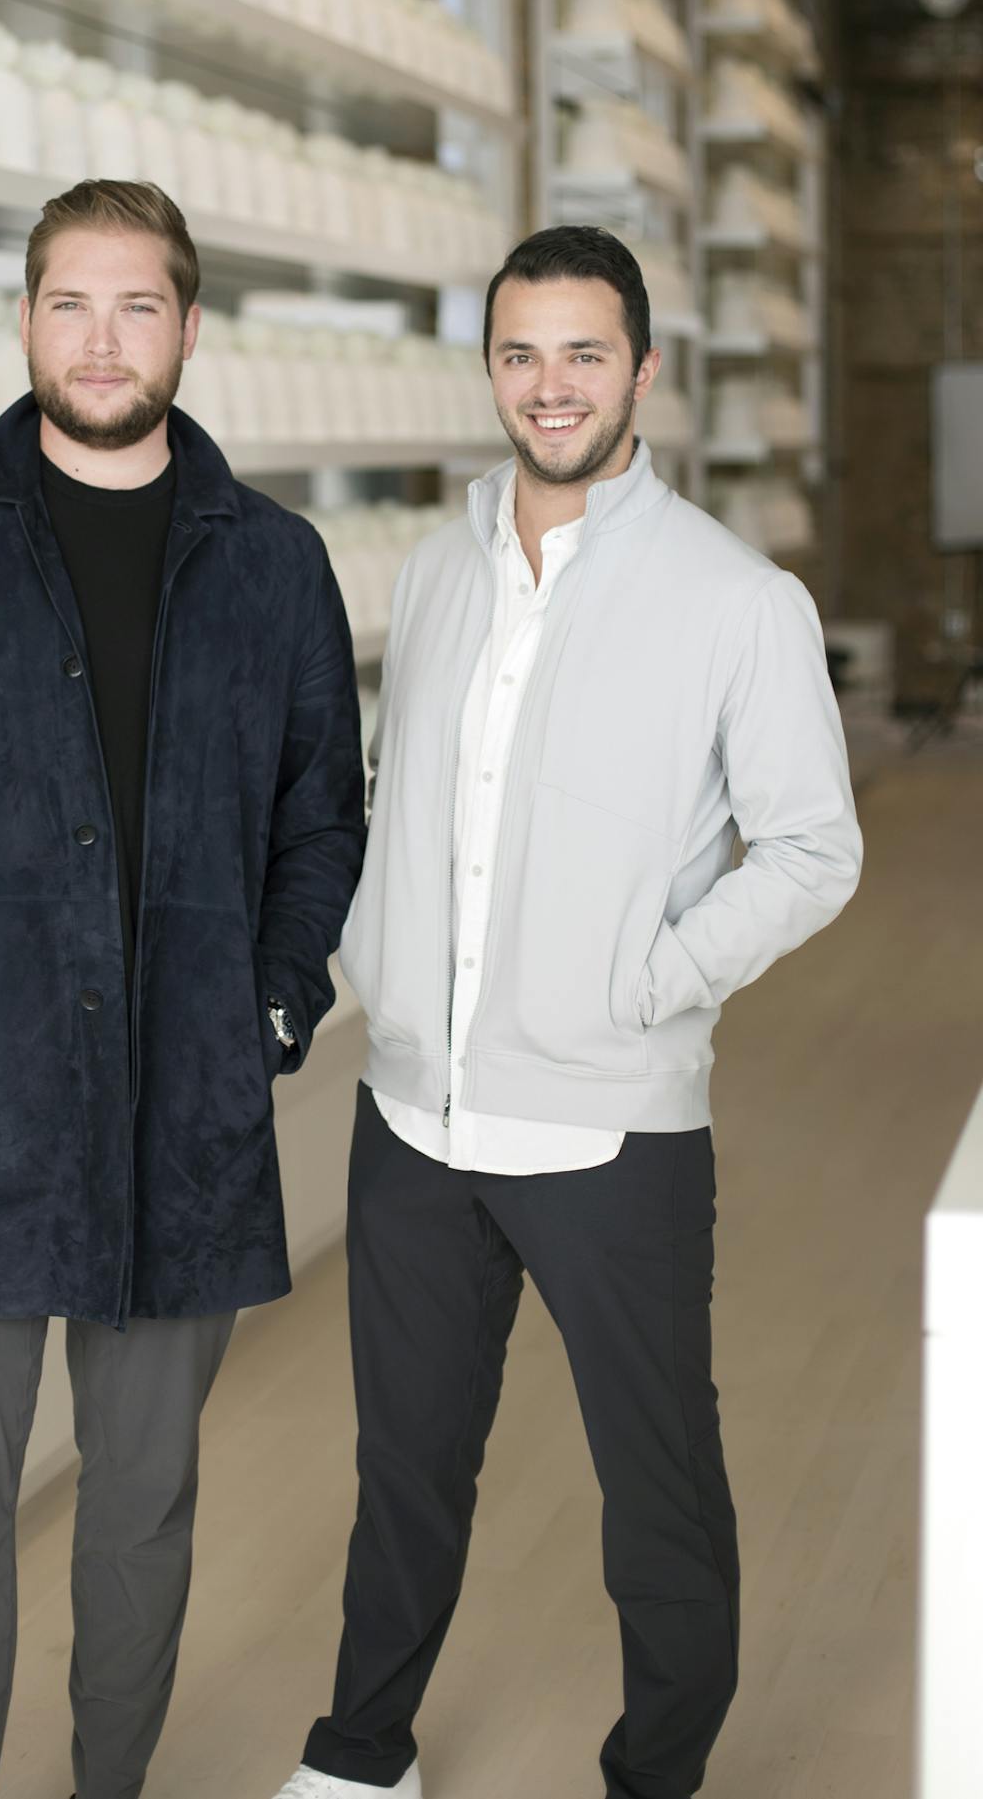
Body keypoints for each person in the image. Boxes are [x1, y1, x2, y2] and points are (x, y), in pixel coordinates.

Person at [0, 178, 366, 1799]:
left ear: (187, 326)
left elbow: (324, 815)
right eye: (68, 303)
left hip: (185, 1105)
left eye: (135, 306)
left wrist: (266, 1007)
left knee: (144, 1504)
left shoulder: (277, 565)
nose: (100, 339)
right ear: (27, 319)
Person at [272, 225, 863, 1799]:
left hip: (609, 1124)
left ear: (643, 369)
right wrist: (377, 977)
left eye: (585, 352)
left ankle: (654, 1774)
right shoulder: (440, 565)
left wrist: (647, 983)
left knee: (655, 1492)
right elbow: (415, 808)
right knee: (403, 1470)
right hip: (416, 1111)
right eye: (522, 354)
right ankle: (360, 1753)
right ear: (490, 369)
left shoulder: (736, 598)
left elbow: (816, 845)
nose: (552, 386)